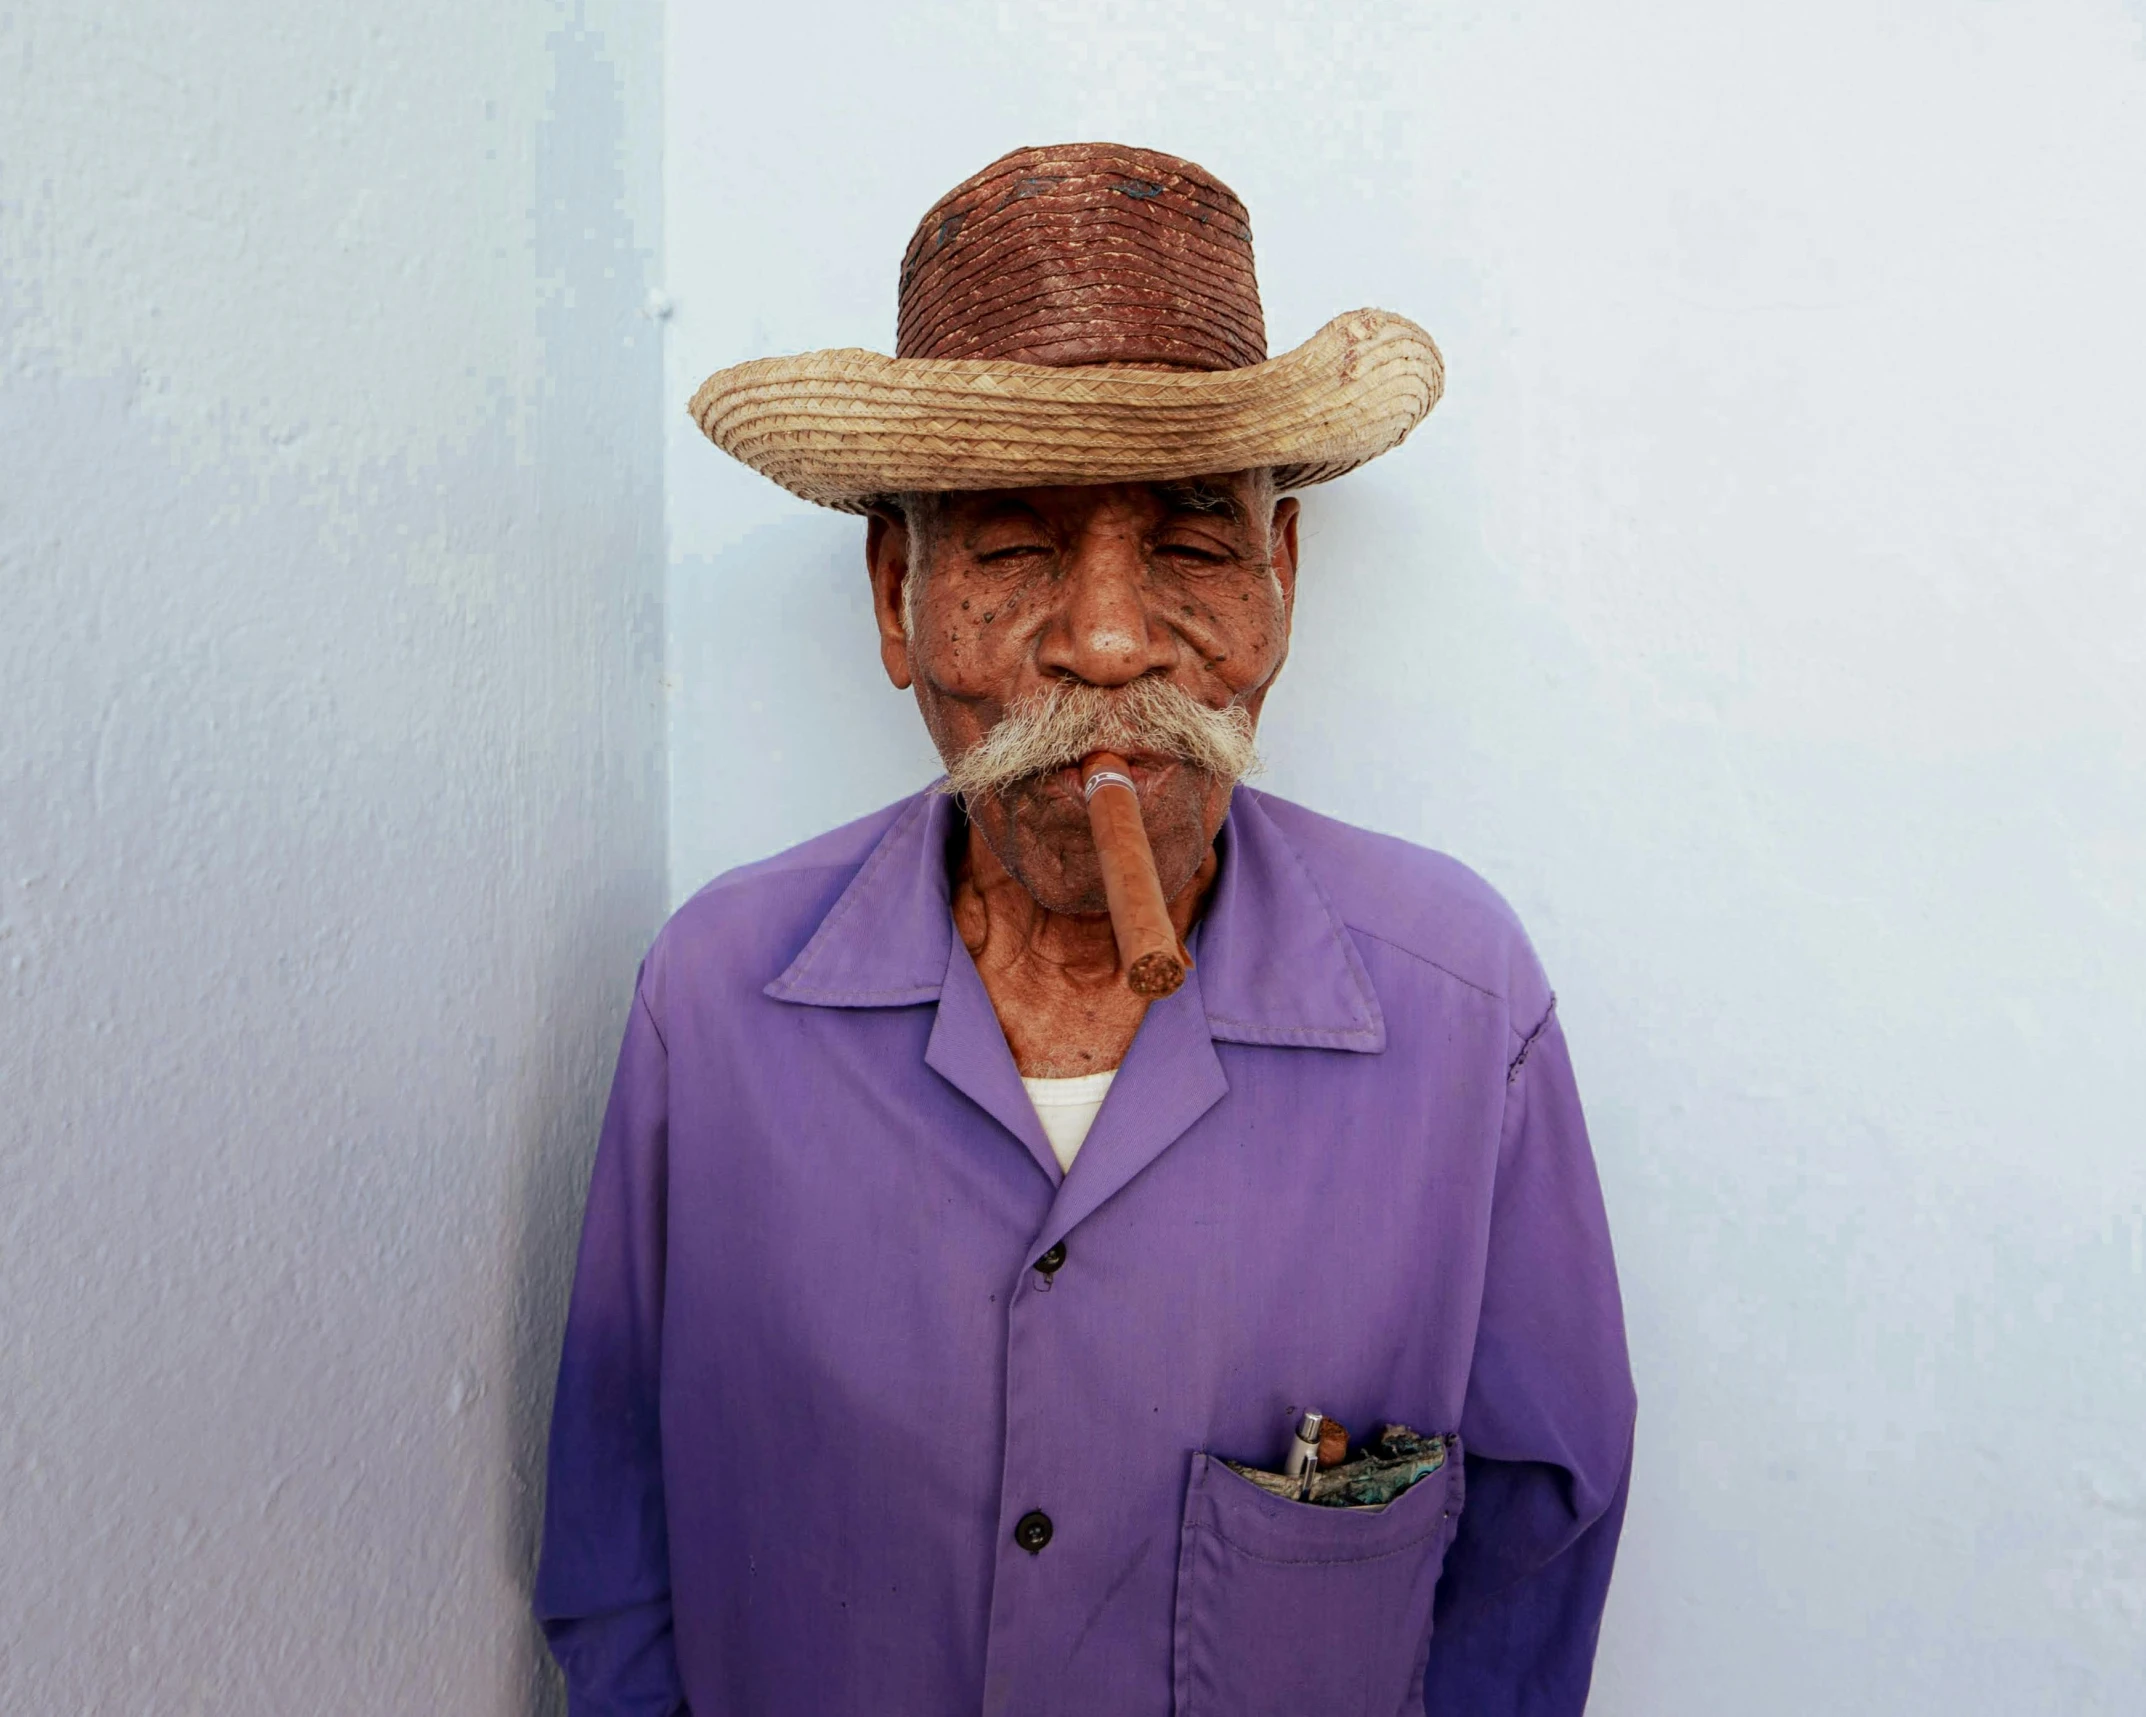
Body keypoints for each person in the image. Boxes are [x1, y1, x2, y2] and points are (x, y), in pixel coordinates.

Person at [535, 142, 1635, 1717]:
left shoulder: (1458, 1006)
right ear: (893, 596)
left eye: (1189, 544)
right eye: (1013, 544)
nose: (1110, 640)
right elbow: (615, 1542)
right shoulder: (715, 1002)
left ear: (1279, 576)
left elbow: (1534, 1554)